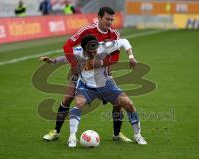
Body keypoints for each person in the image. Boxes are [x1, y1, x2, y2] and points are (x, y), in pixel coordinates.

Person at [43, 6, 137, 142]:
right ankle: (56, 132)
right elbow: (68, 47)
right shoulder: (86, 31)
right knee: (67, 99)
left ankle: (117, 134)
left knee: (118, 103)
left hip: (103, 74)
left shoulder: (114, 34)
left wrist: (99, 64)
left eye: (112, 19)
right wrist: (74, 65)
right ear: (99, 17)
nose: (110, 22)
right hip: (80, 72)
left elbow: (115, 56)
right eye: (107, 19)